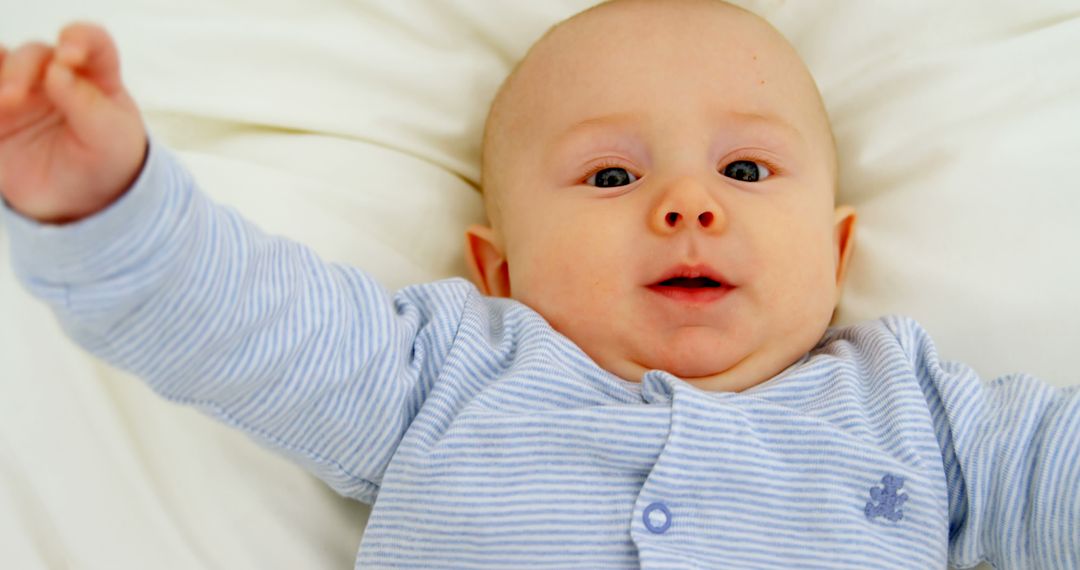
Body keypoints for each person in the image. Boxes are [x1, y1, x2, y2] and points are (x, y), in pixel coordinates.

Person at [1, 0, 1076, 567]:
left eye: (746, 171)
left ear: (835, 254)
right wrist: (109, 206)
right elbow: (242, 324)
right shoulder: (446, 381)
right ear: (499, 269)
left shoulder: (922, 423)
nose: (688, 205)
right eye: (612, 174)